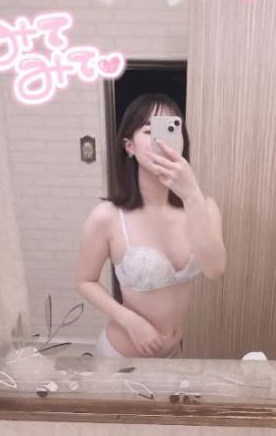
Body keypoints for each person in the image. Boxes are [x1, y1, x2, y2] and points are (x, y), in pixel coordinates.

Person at [74, 93, 226, 358]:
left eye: (170, 129)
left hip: (173, 353)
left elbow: (214, 270)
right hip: (121, 356)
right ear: (129, 146)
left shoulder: (204, 208)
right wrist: (131, 322)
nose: (160, 140)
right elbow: (84, 280)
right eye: (149, 130)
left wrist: (191, 195)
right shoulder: (107, 217)